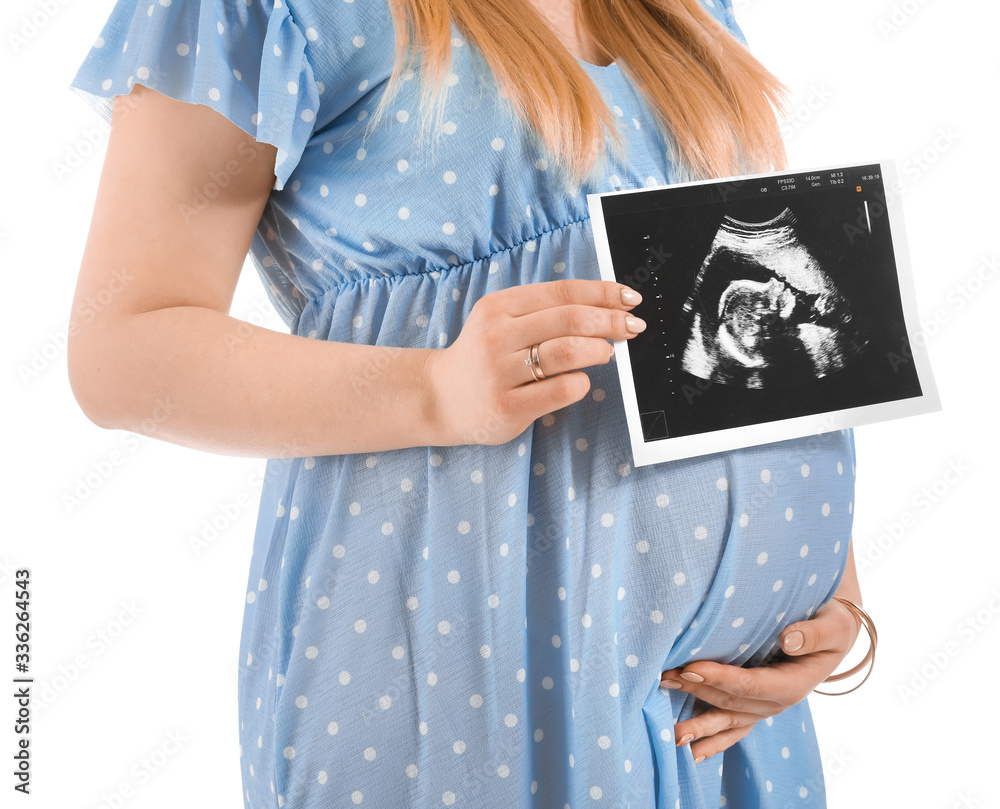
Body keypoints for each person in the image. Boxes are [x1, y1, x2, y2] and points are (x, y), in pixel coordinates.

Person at [66, 0, 869, 806]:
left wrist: (828, 591)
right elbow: (121, 348)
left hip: (725, 724)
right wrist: (432, 388)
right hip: (468, 668)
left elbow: (754, 306)